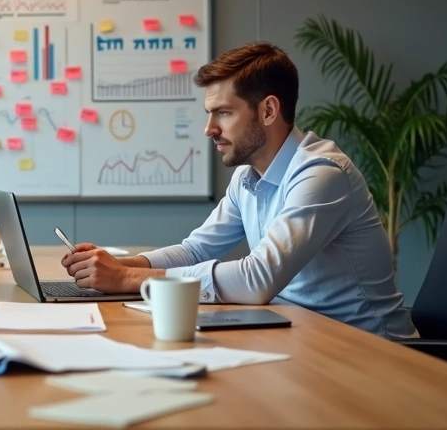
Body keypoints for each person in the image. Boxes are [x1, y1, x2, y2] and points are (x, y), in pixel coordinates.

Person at [61, 42, 417, 339]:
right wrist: (113, 266)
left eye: (223, 113)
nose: (209, 129)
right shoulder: (247, 177)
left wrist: (127, 278)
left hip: (371, 354)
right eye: (209, 113)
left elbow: (257, 279)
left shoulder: (321, 174)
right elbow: (196, 250)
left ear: (268, 110)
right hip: (303, 337)